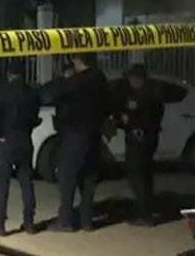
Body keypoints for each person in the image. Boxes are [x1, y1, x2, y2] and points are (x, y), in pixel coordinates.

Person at [50, 53, 109, 232]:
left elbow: (57, 96)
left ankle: (66, 221)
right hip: (94, 135)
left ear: (78, 60)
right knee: (88, 178)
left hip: (75, 134)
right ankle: (86, 220)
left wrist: (64, 79)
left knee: (67, 177)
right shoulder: (100, 79)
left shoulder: (75, 82)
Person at [0, 58, 41, 236]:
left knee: (2, 182)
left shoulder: (3, 91)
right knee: (26, 182)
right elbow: (35, 118)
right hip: (25, 141)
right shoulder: (32, 93)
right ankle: (29, 223)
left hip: (5, 141)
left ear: (9, 73)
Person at [115, 64, 163, 226]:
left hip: (140, 140)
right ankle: (144, 210)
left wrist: (127, 119)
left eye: (132, 77)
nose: (130, 81)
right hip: (146, 139)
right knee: (143, 176)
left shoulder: (143, 96)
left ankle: (144, 215)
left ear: (138, 78)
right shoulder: (150, 93)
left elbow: (143, 119)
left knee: (138, 176)